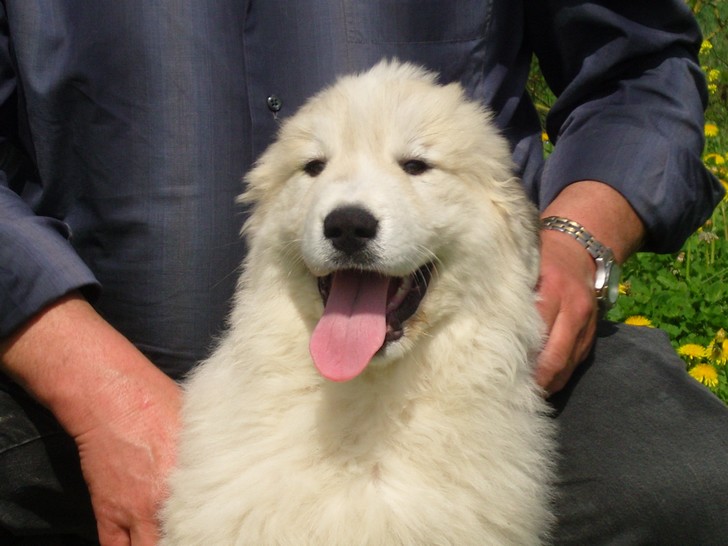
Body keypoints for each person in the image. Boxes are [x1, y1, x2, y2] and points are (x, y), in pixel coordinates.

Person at [0, 1, 726, 544]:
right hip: (71, 353)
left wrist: (578, 238)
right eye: (315, 168)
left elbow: (639, 67)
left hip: (488, 353)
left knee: (690, 481)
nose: (348, 209)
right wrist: (93, 387)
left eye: (414, 166)